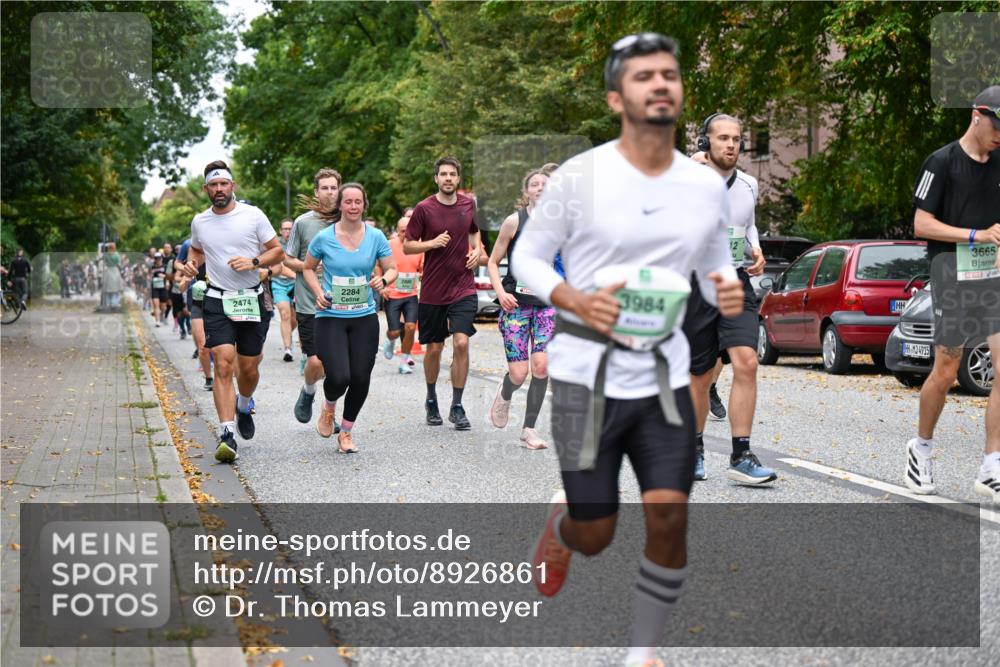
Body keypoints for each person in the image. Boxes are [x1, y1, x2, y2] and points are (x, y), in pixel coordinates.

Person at [511, 33, 744, 667]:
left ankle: (641, 653)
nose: (661, 84)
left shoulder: (703, 188)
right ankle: (563, 529)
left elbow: (713, 261)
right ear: (618, 96)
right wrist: (575, 299)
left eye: (670, 74)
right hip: (587, 379)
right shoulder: (579, 177)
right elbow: (525, 258)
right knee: (596, 531)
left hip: (664, 380)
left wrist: (725, 289)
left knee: (670, 519)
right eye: (645, 77)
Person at [905, 85, 1000, 503]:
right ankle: (920, 448)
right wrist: (975, 234)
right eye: (996, 124)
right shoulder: (941, 162)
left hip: (993, 275)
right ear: (977, 116)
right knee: (947, 367)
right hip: (951, 272)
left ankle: (992, 465)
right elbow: (922, 225)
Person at [684, 112, 774, 484]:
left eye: (736, 138)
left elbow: (747, 223)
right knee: (700, 376)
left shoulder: (750, 184)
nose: (731, 144)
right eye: (722, 138)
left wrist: (756, 249)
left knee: (747, 361)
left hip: (735, 281)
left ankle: (741, 454)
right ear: (706, 143)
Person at [178, 160, 284, 464]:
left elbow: (277, 251)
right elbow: (197, 250)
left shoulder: (253, 215)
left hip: (251, 299)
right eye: (213, 185)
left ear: (232, 186)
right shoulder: (200, 221)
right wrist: (192, 265)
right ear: (206, 189)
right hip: (217, 300)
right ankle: (226, 434)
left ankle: (244, 403)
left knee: (248, 369)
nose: (219, 189)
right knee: (223, 363)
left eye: (224, 183)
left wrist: (253, 262)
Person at [303, 183, 397, 453]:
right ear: (340, 205)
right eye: (348, 202)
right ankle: (329, 406)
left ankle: (345, 433)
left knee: (360, 378)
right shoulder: (324, 237)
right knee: (340, 375)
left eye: (358, 202)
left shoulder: (376, 236)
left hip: (364, 316)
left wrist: (383, 280)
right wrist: (318, 292)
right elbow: (308, 268)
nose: (353, 207)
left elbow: (392, 269)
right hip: (330, 316)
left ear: (364, 205)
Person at [403, 156, 483, 431]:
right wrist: (432, 243)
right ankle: (431, 398)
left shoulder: (468, 204)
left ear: (458, 179)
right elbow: (407, 246)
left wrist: (477, 252)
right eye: (443, 174)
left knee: (461, 343)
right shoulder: (424, 209)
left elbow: (475, 235)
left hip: (463, 286)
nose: (448, 178)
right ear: (436, 179)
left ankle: (457, 406)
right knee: (434, 348)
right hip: (433, 291)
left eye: (452, 174)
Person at [487, 167, 556, 450]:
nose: (540, 188)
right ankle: (505, 392)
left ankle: (529, 428)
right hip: (516, 304)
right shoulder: (514, 221)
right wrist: (501, 292)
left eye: (545, 184)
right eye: (534, 184)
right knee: (519, 373)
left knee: (541, 367)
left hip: (547, 306)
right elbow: (493, 262)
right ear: (526, 192)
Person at [285, 168, 341, 426]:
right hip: (309, 304)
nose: (330, 192)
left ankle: (329, 412)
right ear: (316, 192)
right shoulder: (303, 222)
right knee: (316, 361)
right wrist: (308, 265)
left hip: (342, 305)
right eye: (325, 188)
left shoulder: (348, 220)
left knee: (337, 368)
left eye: (334, 188)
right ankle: (308, 392)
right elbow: (288, 258)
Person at [382, 212, 423, 374]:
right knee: (395, 331)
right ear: (397, 231)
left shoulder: (418, 247)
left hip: (411, 294)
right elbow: (378, 265)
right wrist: (382, 285)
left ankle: (404, 360)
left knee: (411, 327)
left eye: (409, 230)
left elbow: (423, 268)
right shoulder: (388, 245)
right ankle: (391, 339)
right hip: (392, 294)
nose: (406, 233)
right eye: (403, 230)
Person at [175, 239, 214, 390]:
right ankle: (209, 378)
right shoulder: (194, 262)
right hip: (198, 303)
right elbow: (181, 286)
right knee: (203, 346)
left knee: (222, 346)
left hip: (219, 304)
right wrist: (188, 279)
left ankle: (226, 373)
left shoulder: (220, 258)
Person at [272, 218, 299, 362]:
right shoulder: (275, 244)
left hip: (296, 285)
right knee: (285, 313)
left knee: (295, 319)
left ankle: (287, 332)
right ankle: (287, 349)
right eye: (285, 229)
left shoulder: (299, 242)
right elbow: (278, 267)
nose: (288, 231)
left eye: (290, 228)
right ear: (280, 231)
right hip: (279, 283)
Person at [101, 243, 123, 309]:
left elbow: (102, 260)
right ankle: (114, 303)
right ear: (114, 248)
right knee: (116, 288)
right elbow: (119, 264)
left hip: (108, 271)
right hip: (115, 271)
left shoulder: (105, 255)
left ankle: (108, 303)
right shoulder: (116, 255)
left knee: (107, 289)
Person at [150, 254, 168, 327]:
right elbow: (148, 275)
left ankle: (162, 315)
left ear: (161, 259)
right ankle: (157, 321)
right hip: (155, 287)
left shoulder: (165, 267)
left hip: (163, 287)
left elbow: (168, 276)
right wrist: (150, 275)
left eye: (159, 258)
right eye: (156, 259)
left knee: (163, 307)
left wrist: (163, 277)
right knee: (156, 305)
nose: (158, 260)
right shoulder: (152, 267)